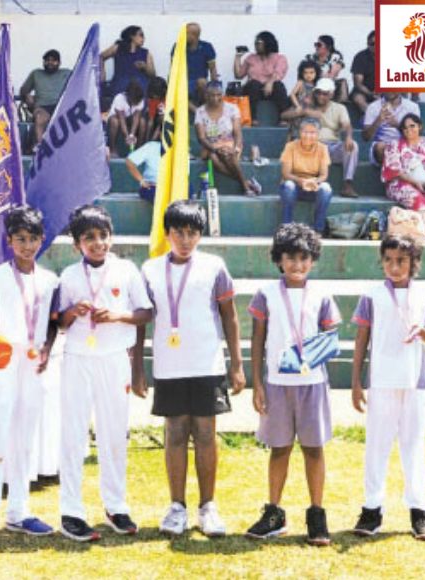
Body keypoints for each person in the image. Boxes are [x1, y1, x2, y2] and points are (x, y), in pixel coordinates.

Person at [134, 200, 245, 538]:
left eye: (192, 233)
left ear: (200, 235)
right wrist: (137, 368)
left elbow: (230, 315)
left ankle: (208, 506)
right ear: (167, 233)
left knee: (206, 434)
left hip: (206, 362)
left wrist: (237, 364)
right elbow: (141, 321)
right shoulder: (150, 270)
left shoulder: (214, 266)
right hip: (169, 365)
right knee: (176, 433)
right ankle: (176, 506)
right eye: (179, 232)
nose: (185, 240)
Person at [56, 206, 152, 542]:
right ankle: (71, 510)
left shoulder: (126, 270)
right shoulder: (69, 276)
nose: (97, 243)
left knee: (114, 433)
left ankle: (116, 505)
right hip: (78, 358)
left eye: (103, 236)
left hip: (114, 358)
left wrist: (117, 316)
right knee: (73, 434)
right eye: (89, 238)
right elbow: (59, 322)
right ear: (77, 245)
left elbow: (145, 313)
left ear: (111, 237)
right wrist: (73, 311)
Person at [0, 206, 60, 545]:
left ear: (42, 240)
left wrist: (47, 348)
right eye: (20, 239)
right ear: (9, 241)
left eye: (33, 239)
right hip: (3, 361)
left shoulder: (50, 280)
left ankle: (19, 511)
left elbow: (53, 323)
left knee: (25, 438)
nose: (27, 245)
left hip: (33, 363)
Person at [245, 223, 340, 547]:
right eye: (290, 257)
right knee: (279, 448)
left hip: (312, 383)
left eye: (304, 258)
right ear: (279, 259)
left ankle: (317, 514)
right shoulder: (266, 294)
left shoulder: (322, 295)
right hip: (277, 384)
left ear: (313, 259)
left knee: (313, 449)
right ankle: (274, 512)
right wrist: (257, 383)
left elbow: (330, 337)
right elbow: (257, 339)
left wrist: (307, 357)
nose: (297, 264)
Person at [350, 234, 425, 542]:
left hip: (414, 382)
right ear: (382, 262)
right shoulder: (372, 295)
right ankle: (372, 508)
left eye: (401, 261)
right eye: (388, 260)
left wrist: (422, 332)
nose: (394, 267)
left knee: (413, 445)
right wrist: (356, 382)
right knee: (376, 446)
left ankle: (420, 510)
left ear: (414, 262)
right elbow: (361, 339)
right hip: (380, 381)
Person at [380, 114, 425, 243]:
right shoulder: (394, 145)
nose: (409, 130)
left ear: (420, 126)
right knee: (415, 197)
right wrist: (415, 182)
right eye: (405, 128)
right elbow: (393, 169)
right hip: (400, 182)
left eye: (412, 126)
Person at [195, 81, 261, 196]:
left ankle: (246, 187)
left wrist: (236, 148)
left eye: (218, 95)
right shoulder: (200, 111)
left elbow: (237, 133)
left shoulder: (232, 108)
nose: (215, 98)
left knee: (228, 155)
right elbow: (201, 138)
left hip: (230, 142)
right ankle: (246, 184)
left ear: (223, 94)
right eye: (212, 95)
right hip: (210, 146)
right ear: (206, 95)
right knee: (213, 158)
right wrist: (215, 148)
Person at [298, 78, 359, 198]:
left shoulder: (340, 108)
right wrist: (304, 112)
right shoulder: (309, 106)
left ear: (331, 94)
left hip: (332, 147)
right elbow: (285, 115)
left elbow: (347, 125)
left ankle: (347, 184)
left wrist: (348, 137)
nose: (321, 96)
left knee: (353, 146)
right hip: (313, 147)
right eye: (318, 93)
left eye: (325, 93)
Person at [279, 118, 332, 233]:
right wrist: (301, 181)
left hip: (313, 187)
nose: (308, 136)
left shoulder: (323, 148)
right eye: (305, 132)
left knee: (326, 189)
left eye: (312, 132)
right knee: (288, 186)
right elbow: (286, 173)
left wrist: (314, 182)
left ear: (318, 134)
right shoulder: (290, 146)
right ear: (300, 132)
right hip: (294, 186)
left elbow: (324, 175)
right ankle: (286, 228)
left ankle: (318, 229)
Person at [233, 31, 290, 125]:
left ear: (268, 43)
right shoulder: (251, 58)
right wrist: (237, 57)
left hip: (272, 89)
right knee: (253, 84)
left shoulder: (279, 58)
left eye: (258, 43)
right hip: (254, 90)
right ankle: (253, 118)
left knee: (279, 86)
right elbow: (239, 75)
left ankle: (284, 117)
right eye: (255, 42)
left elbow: (278, 72)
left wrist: (270, 83)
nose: (256, 45)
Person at [19, 50, 72, 146]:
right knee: (40, 118)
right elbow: (24, 90)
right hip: (42, 107)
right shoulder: (36, 74)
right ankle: (40, 147)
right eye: (47, 60)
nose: (50, 62)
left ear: (59, 62)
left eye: (53, 60)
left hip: (61, 107)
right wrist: (27, 96)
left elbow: (80, 84)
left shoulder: (67, 73)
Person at [361, 92, 419, 166]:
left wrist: (397, 125)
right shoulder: (373, 107)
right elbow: (366, 137)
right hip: (381, 147)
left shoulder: (412, 107)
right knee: (380, 147)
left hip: (404, 145)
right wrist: (378, 120)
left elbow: (415, 136)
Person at [101, 26, 154, 99]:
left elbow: (153, 75)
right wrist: (102, 76)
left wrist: (145, 67)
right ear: (132, 36)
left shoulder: (146, 53)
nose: (143, 38)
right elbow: (101, 57)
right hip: (120, 87)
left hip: (140, 88)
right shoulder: (118, 48)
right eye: (141, 35)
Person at [175, 23, 217, 105]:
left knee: (202, 82)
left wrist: (214, 87)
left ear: (194, 35)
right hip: (183, 82)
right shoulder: (178, 47)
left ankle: (205, 108)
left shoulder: (207, 47)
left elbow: (213, 69)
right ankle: (197, 111)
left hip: (201, 83)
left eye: (186, 33)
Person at [107, 81, 146, 158]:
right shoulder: (119, 98)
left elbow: (136, 118)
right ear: (129, 97)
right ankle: (112, 149)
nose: (136, 103)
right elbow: (122, 120)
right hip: (116, 119)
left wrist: (131, 135)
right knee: (115, 121)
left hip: (129, 119)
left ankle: (139, 149)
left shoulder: (140, 99)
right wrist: (127, 136)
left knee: (142, 121)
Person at [304, 35, 348, 103]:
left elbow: (331, 76)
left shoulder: (335, 57)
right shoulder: (312, 57)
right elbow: (306, 74)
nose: (316, 47)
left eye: (319, 45)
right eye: (315, 44)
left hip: (330, 85)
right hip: (314, 84)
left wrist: (317, 74)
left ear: (328, 47)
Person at [350, 31, 377, 112]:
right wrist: (371, 94)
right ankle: (371, 116)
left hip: (384, 91)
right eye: (372, 44)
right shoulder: (360, 57)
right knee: (359, 99)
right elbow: (358, 84)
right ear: (368, 44)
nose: (375, 46)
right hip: (364, 92)